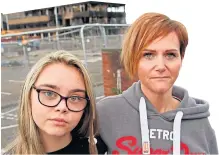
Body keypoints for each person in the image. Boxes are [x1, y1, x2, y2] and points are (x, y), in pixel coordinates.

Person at [97, 12, 218, 154]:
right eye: (148, 55)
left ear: (181, 58)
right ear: (134, 59)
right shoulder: (106, 113)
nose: (160, 66)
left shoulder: (200, 123)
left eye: (170, 55)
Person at [4, 51, 107, 154]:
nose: (62, 107)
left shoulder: (100, 148)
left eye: (75, 98)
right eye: (49, 93)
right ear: (28, 96)